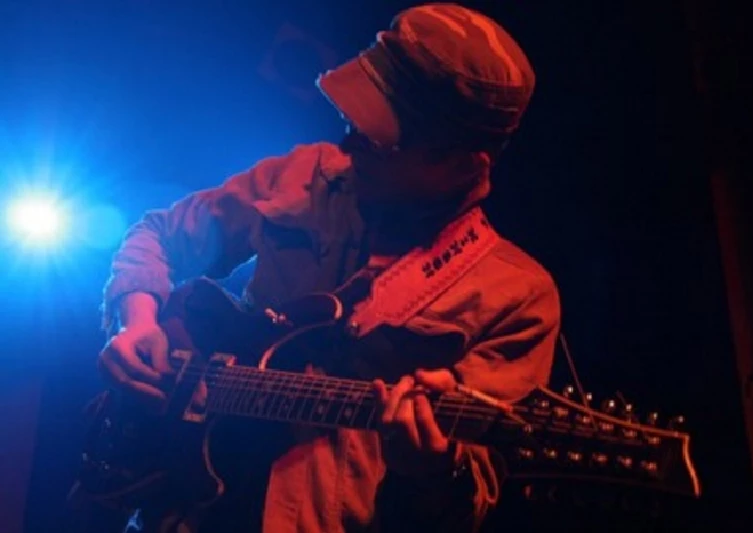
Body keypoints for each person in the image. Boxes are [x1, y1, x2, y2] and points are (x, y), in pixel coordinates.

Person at [95, 3, 560, 533]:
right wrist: (138, 322)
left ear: (460, 164)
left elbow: (468, 503)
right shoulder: (306, 175)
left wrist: (434, 471)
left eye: (381, 138)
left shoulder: (516, 296)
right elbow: (158, 234)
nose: (347, 143)